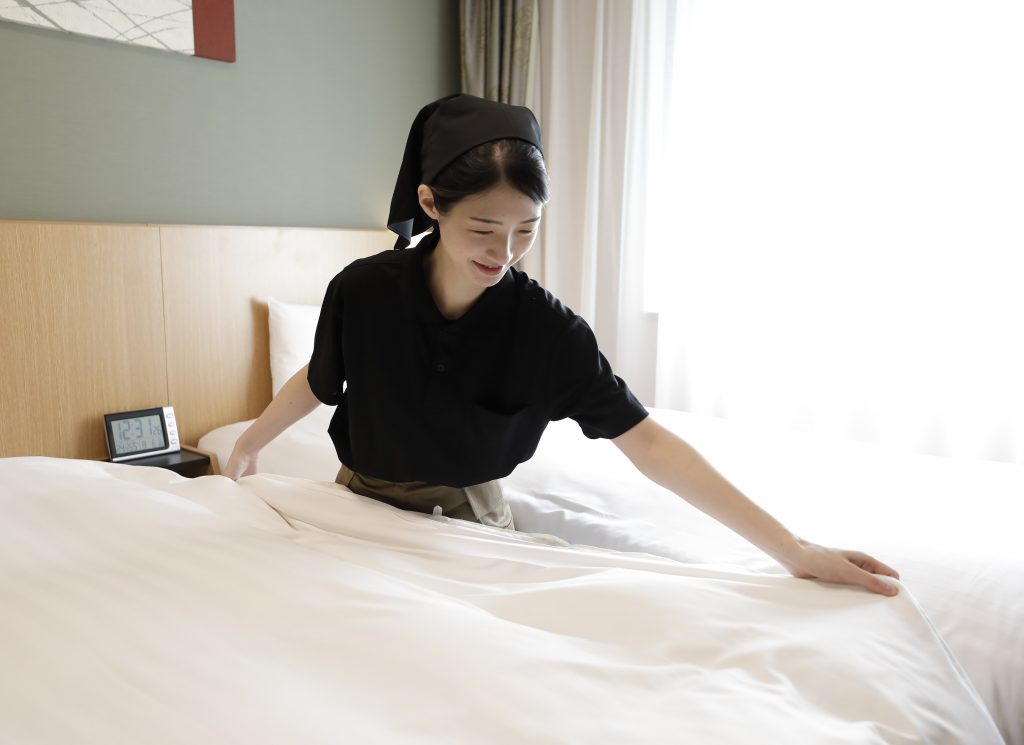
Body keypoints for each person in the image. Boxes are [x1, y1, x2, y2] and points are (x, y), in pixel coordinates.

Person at [225, 93, 900, 597]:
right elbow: (321, 377)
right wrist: (250, 444)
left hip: (464, 521)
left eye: (526, 229)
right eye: (484, 229)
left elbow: (648, 442)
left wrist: (794, 549)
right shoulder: (363, 288)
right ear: (431, 204)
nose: (504, 253)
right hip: (353, 504)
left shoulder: (546, 330)